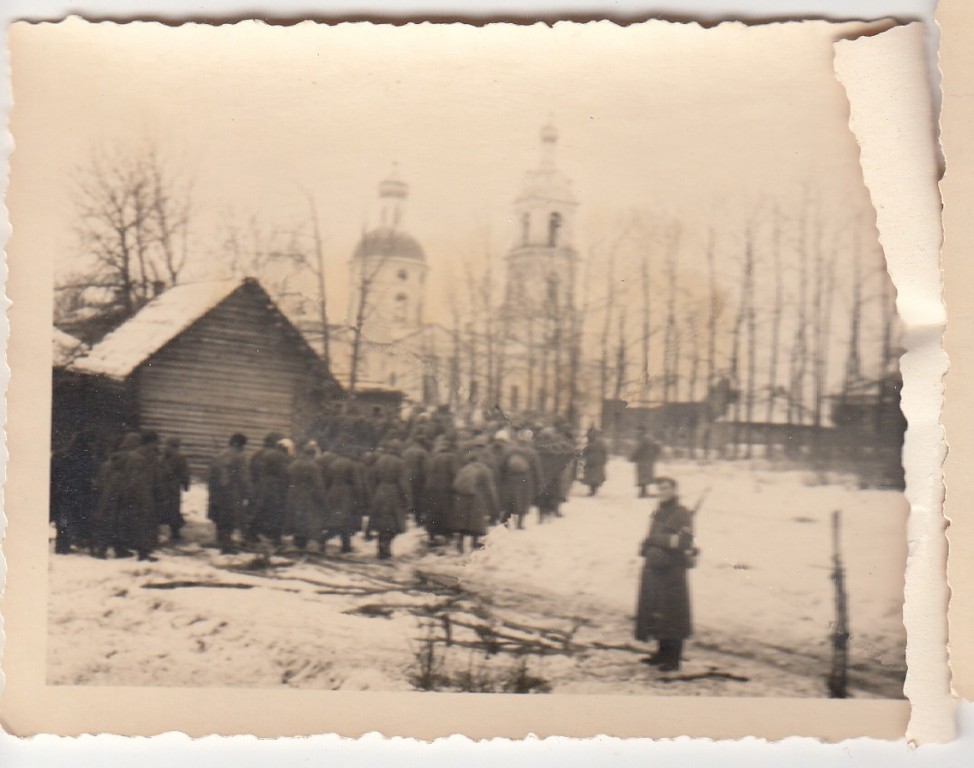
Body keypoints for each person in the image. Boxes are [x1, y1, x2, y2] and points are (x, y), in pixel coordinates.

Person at [635, 477, 694, 672]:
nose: (663, 491)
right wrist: (645, 547)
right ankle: (661, 653)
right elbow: (650, 536)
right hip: (654, 569)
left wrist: (656, 540)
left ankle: (673, 658)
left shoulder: (682, 514)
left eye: (667, 488)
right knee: (656, 611)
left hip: (672, 571)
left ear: (675, 490)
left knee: (673, 614)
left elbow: (684, 542)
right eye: (660, 488)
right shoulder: (658, 512)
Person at [91, 433, 140, 559]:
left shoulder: (109, 461)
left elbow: (99, 482)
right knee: (117, 522)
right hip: (119, 495)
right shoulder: (131, 459)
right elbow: (132, 479)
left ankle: (109, 549)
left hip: (106, 496)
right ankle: (108, 550)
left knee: (110, 522)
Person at [50, 430, 98, 554]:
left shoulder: (61, 454)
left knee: (63, 519)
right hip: (78, 491)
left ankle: (62, 546)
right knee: (78, 517)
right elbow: (88, 475)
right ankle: (79, 542)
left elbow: (53, 474)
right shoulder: (86, 455)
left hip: (61, 491)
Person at [119, 430, 164, 562]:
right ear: (150, 443)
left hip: (147, 493)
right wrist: (145, 497)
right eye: (155, 443)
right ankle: (143, 553)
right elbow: (137, 480)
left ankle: (144, 551)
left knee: (145, 523)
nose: (156, 446)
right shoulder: (139, 457)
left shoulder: (146, 456)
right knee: (143, 523)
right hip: (141, 495)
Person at [207, 433, 251, 555]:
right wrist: (247, 493)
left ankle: (221, 540)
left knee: (220, 516)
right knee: (230, 517)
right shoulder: (240, 457)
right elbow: (243, 477)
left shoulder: (219, 455)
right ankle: (227, 546)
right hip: (232, 491)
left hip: (217, 490)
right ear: (241, 444)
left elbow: (211, 474)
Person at [451, 446, 499, 553]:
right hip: (477, 498)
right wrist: (494, 506)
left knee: (463, 522)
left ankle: (460, 543)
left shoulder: (464, 469)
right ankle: (474, 542)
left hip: (462, 497)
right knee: (476, 521)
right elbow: (490, 489)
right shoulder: (484, 470)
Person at [369, 440, 410, 559]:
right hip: (394, 494)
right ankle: (385, 547)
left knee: (383, 522)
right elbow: (404, 484)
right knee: (392, 523)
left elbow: (372, 478)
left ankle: (382, 547)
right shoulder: (400, 463)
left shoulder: (379, 461)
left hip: (380, 491)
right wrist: (407, 500)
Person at [247, 432, 290, 546]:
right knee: (275, 511)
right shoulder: (279, 455)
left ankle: (252, 536)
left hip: (259, 485)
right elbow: (284, 472)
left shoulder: (256, 454)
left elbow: (251, 470)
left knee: (257, 510)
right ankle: (274, 538)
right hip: (275, 487)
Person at [285, 441, 327, 550]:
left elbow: (286, 479)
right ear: (312, 454)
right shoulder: (314, 467)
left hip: (293, 493)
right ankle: (304, 541)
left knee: (297, 517)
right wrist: (322, 499)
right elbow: (319, 485)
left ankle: (298, 540)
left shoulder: (293, 464)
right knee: (308, 518)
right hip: (307, 495)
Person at [424, 434, 459, 546]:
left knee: (433, 511)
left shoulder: (433, 457)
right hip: (446, 489)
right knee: (446, 512)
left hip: (432, 488)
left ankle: (432, 534)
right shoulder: (452, 458)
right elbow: (455, 473)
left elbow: (427, 472)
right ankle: (447, 534)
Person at [534, 427, 574, 522]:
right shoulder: (556, 445)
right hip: (553, 473)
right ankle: (553, 510)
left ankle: (544, 512)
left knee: (544, 493)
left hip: (544, 473)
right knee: (555, 491)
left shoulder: (537, 444)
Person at [158, 436, 191, 541]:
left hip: (162, 485)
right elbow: (184, 472)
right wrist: (186, 484)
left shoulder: (162, 456)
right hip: (173, 486)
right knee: (174, 508)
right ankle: (175, 533)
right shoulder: (180, 456)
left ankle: (157, 531)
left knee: (161, 507)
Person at [631, 427, 662, 498]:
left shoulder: (643, 439)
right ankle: (644, 492)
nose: (637, 433)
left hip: (642, 461)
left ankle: (643, 493)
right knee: (646, 476)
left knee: (642, 477)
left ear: (642, 431)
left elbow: (638, 449)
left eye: (638, 431)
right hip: (649, 461)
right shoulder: (651, 439)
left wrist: (632, 457)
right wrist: (654, 456)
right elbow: (657, 448)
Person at [581, 428, 609, 496]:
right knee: (596, 477)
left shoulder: (591, 443)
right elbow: (605, 452)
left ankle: (592, 490)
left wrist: (582, 455)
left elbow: (585, 451)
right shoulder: (601, 443)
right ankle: (594, 489)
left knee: (591, 477)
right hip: (599, 462)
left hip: (591, 462)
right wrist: (604, 460)